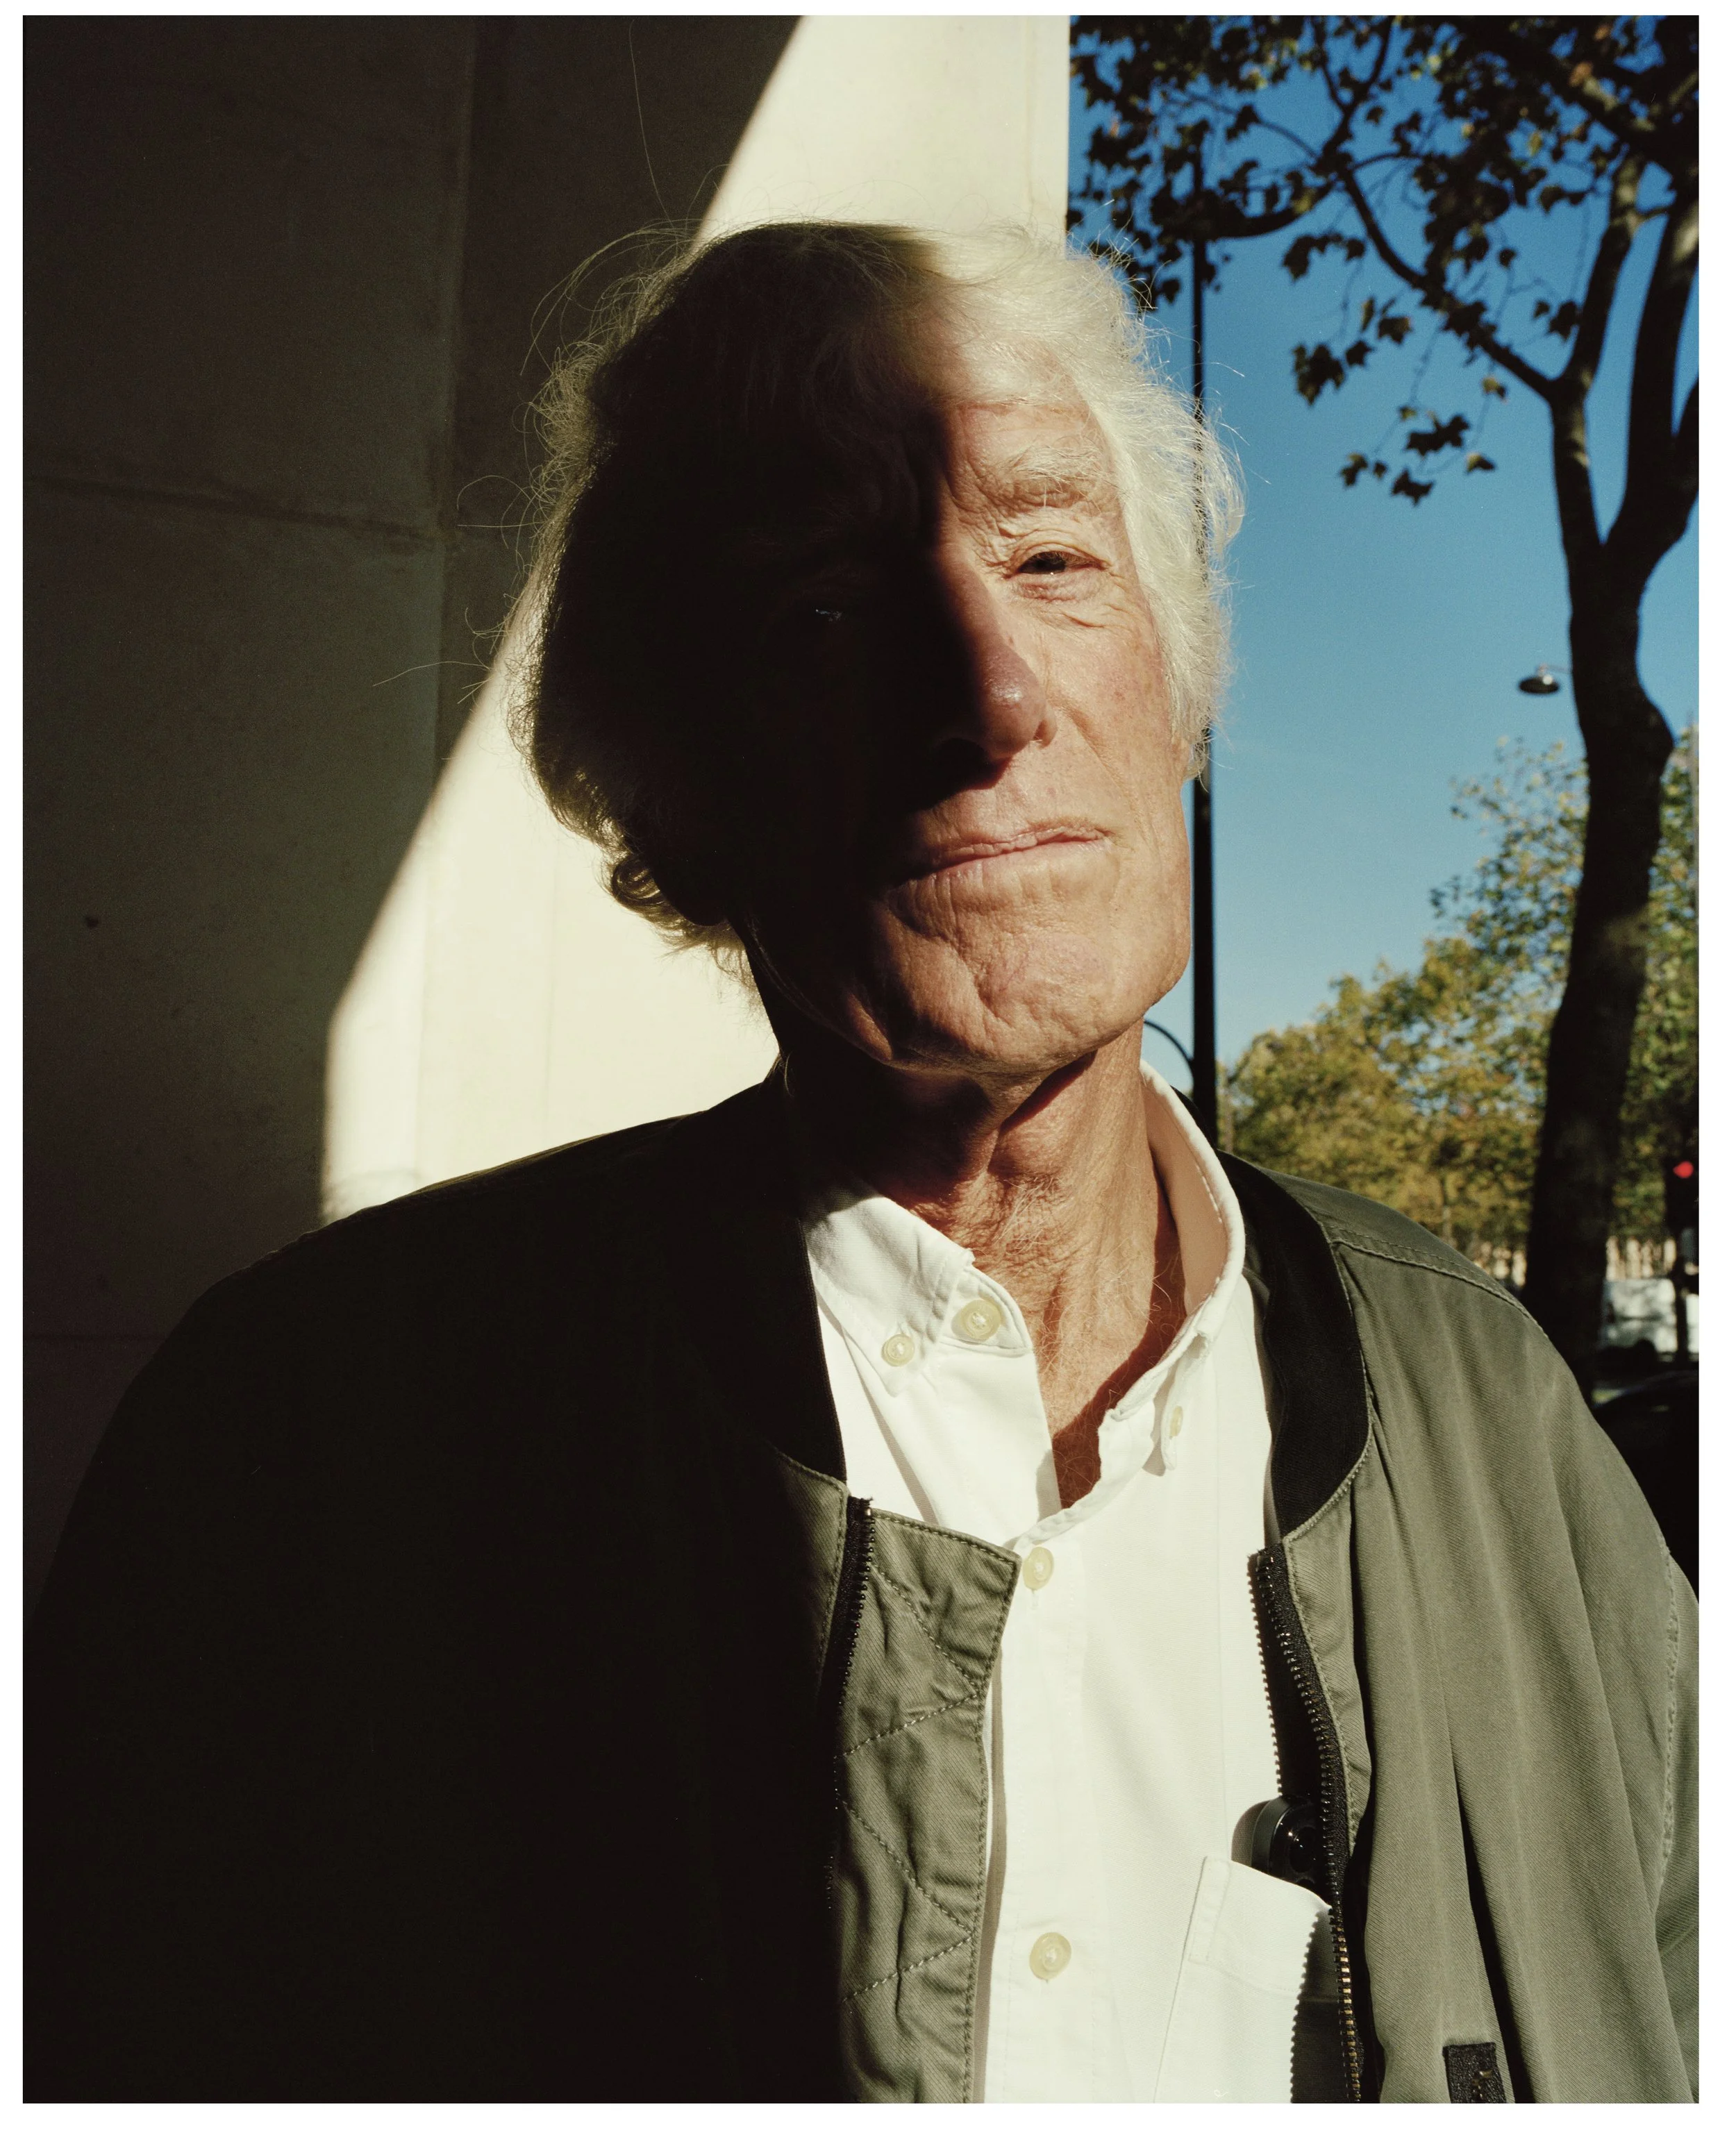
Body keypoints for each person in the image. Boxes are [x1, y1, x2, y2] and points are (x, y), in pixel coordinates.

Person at [27, 223, 1695, 2104]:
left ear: (1176, 687)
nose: (982, 697)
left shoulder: (1491, 1412)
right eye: (819, 609)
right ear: (671, 796)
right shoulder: (310, 1447)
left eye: (1054, 561)